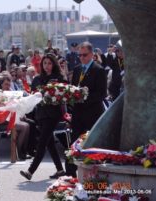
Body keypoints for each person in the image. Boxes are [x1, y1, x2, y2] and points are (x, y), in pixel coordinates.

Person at [20, 53, 66, 181]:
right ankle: (60, 170)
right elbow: (34, 96)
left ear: (54, 64)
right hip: (40, 114)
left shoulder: (59, 77)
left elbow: (64, 93)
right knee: (49, 142)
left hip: (53, 114)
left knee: (42, 142)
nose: (47, 66)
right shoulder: (37, 79)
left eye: (49, 63)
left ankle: (30, 171)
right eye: (45, 63)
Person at [66, 42, 107, 177]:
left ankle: (92, 174)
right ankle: (70, 173)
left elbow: (101, 94)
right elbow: (73, 88)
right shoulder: (77, 69)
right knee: (74, 143)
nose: (82, 57)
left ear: (91, 55)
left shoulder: (99, 70)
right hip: (78, 113)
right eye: (80, 55)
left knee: (90, 145)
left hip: (92, 113)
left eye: (84, 55)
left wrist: (84, 98)